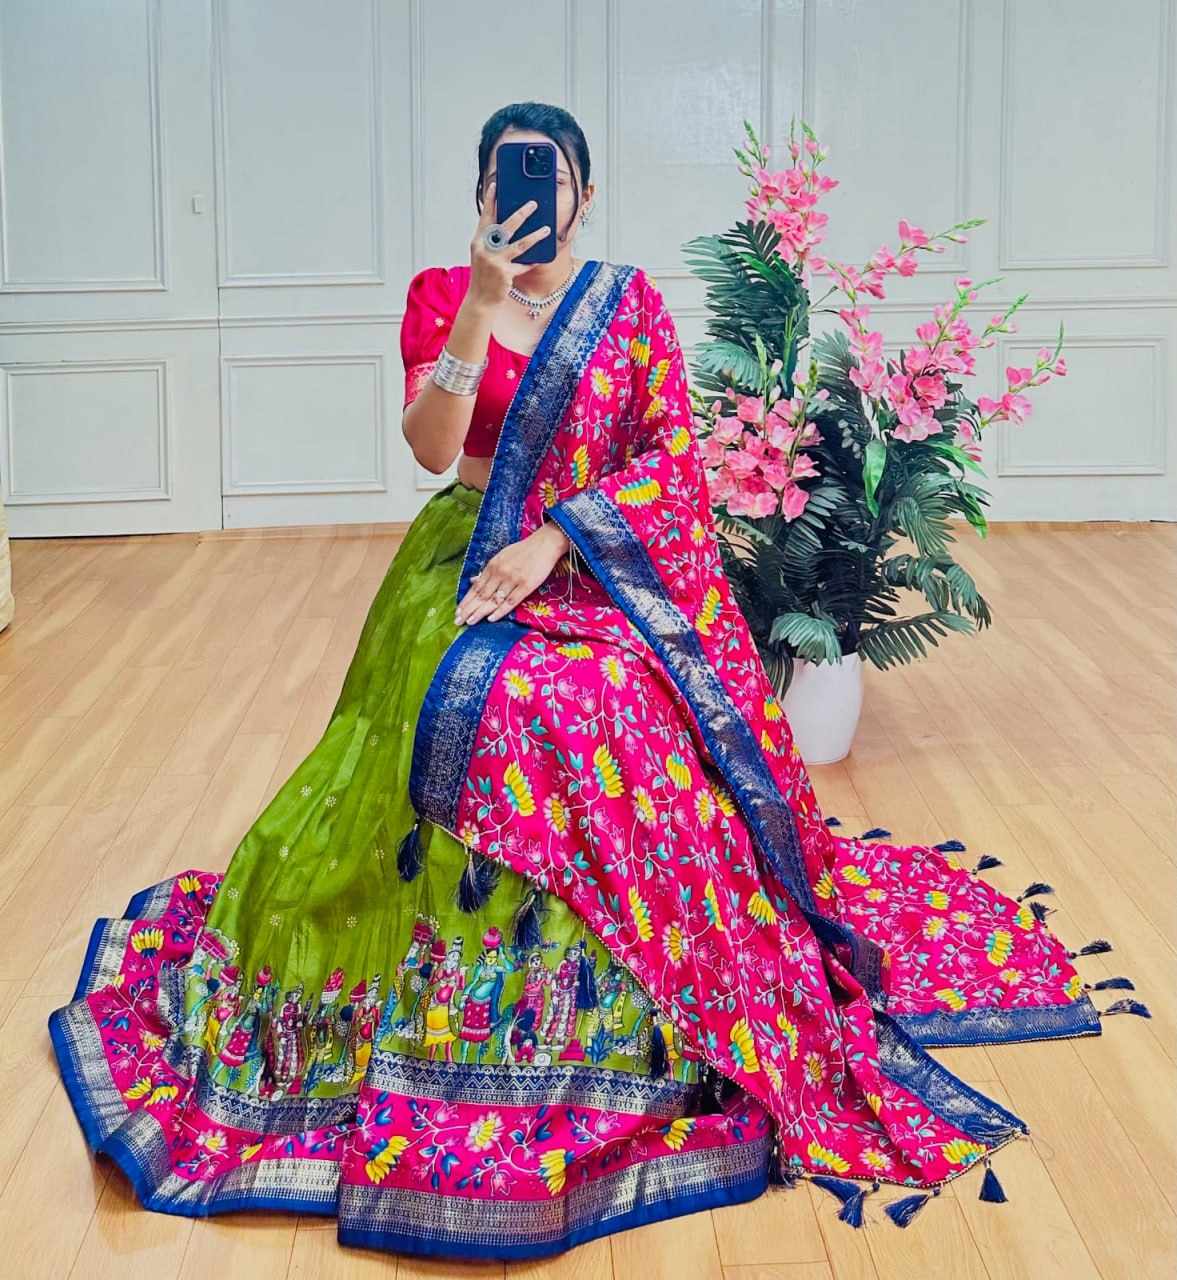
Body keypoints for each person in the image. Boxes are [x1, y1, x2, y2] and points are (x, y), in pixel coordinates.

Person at [47, 101, 1142, 1262]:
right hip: (466, 558)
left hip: (590, 566)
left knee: (610, 705)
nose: (531, 194)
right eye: (506, 176)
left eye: (552, 176)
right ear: (481, 191)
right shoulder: (443, 292)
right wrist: (479, 302)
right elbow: (430, 448)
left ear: (585, 192)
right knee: (507, 707)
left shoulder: (628, 306)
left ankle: (639, 989)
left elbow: (669, 459)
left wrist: (559, 536)